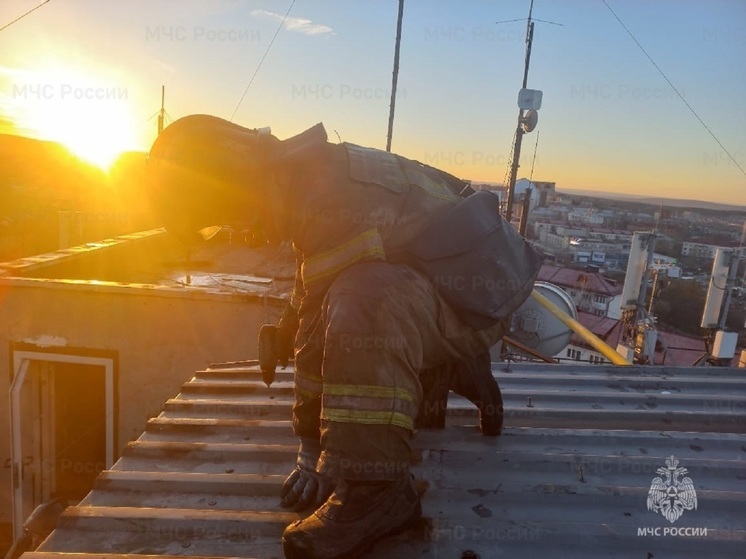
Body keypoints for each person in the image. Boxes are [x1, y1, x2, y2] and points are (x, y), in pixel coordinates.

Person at [147, 114, 539, 559]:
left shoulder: (325, 201)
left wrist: (310, 451)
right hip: (472, 290)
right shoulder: (314, 177)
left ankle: (377, 493)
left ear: (238, 182)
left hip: (476, 302)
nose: (237, 234)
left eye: (222, 219)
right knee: (363, 291)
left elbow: (321, 335)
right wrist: (286, 327)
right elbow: (311, 287)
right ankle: (455, 363)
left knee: (365, 296)